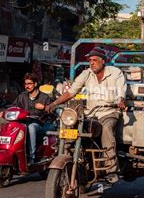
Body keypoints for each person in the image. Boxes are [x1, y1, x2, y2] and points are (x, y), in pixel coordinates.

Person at [45, 47, 127, 183]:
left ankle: (111, 168)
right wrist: (53, 104)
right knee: (71, 127)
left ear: (103, 61)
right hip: (90, 113)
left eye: (95, 60)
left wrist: (120, 100)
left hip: (109, 112)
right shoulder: (86, 73)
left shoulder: (115, 72)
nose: (92, 63)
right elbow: (71, 92)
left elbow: (121, 91)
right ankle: (68, 156)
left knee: (106, 130)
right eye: (90, 60)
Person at [10, 73, 52, 165]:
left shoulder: (44, 97)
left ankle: (31, 157)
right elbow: (14, 106)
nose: (27, 86)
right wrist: (5, 112)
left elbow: (52, 110)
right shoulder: (22, 96)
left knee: (31, 127)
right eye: (25, 84)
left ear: (35, 84)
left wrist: (44, 107)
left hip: (40, 123)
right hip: (24, 122)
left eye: (29, 84)